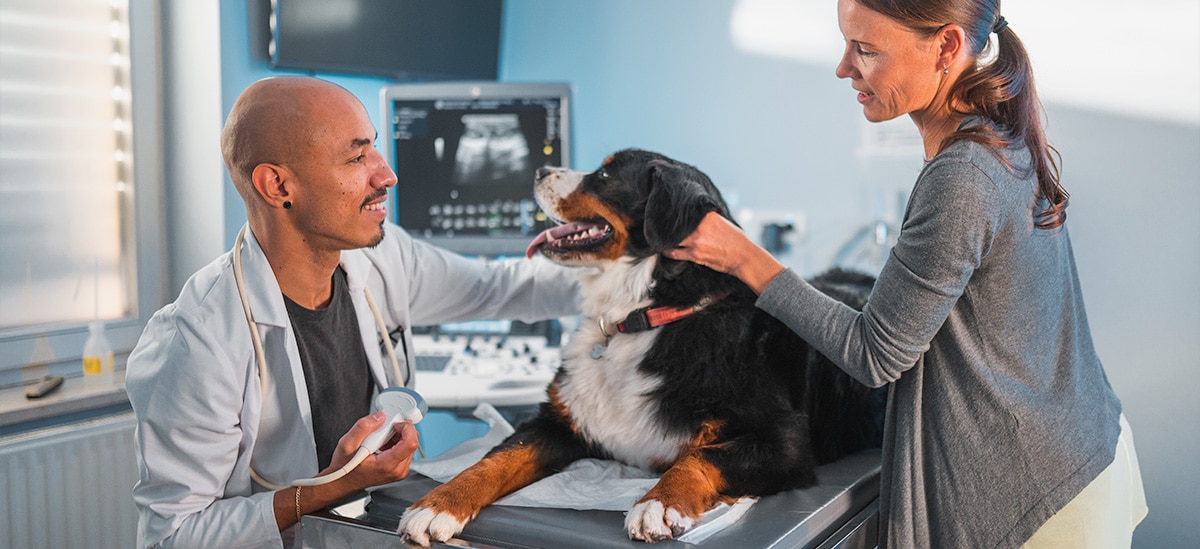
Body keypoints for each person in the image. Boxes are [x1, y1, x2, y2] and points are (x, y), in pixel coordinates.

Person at [664, 1, 1147, 547]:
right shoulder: (991, 137)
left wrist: (742, 257)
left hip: (1040, 500)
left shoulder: (962, 175)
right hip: (1077, 449)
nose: (844, 68)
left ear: (945, 47)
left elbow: (874, 355)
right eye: (847, 44)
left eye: (866, 49)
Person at [125, 76, 580, 548]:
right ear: (278, 184)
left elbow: (502, 288)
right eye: (357, 156)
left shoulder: (381, 259)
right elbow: (171, 539)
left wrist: (645, 273)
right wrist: (333, 485)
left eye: (375, 151)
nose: (386, 175)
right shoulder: (198, 340)